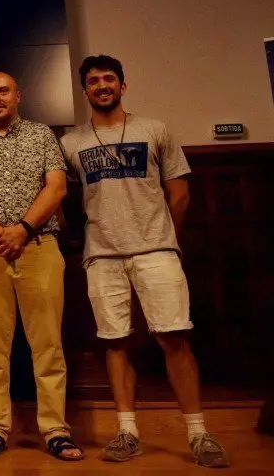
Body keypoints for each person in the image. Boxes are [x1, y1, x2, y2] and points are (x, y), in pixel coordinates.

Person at [60, 55, 230, 467]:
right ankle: (127, 431)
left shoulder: (154, 129)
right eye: (94, 81)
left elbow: (180, 193)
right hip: (102, 255)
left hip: (157, 251)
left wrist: (164, 238)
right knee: (115, 342)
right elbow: (66, 202)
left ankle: (198, 433)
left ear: (123, 85)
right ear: (85, 91)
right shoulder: (70, 143)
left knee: (174, 337)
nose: (102, 86)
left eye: (109, 79)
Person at [0, 72, 83, 461]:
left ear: (18, 95)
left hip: (39, 246)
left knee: (48, 346)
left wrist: (22, 230)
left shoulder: (42, 136)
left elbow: (56, 187)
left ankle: (56, 429)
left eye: (3, 91)